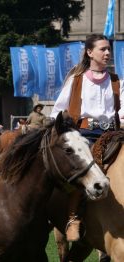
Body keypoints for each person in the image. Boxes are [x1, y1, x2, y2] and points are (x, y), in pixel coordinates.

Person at [50, 34, 124, 242]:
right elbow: (58, 110)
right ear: (90, 52)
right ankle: (74, 218)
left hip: (113, 134)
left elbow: (123, 110)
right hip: (84, 135)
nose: (108, 53)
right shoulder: (77, 80)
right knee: (84, 168)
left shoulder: (118, 82)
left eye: (109, 49)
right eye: (103, 49)